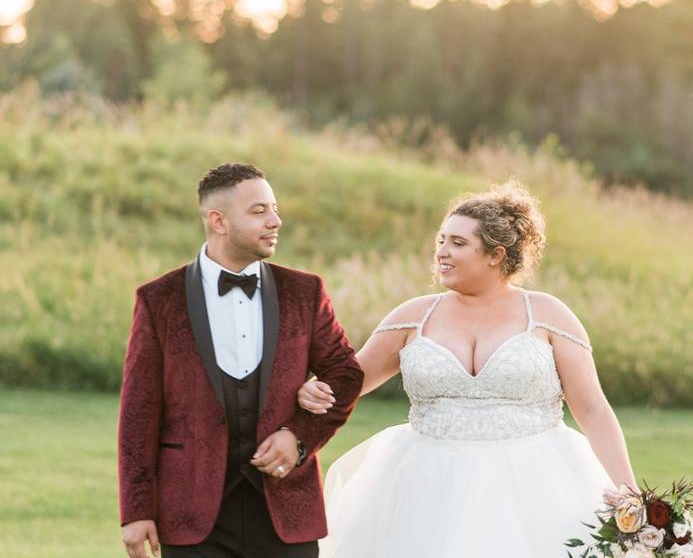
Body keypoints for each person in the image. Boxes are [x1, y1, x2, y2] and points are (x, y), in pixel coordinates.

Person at [298, 178, 638, 557]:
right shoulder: (413, 317)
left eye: (457, 243)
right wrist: (313, 389)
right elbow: (349, 381)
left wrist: (628, 490)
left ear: (496, 254)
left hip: (536, 482)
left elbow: (591, 408)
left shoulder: (547, 314)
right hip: (425, 484)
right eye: (441, 240)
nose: (442, 252)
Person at [118, 163, 364, 558]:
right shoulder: (159, 299)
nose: (276, 221)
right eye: (259, 211)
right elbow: (138, 412)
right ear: (218, 220)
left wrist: (299, 436)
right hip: (192, 516)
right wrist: (136, 510)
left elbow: (346, 373)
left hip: (287, 510)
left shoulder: (304, 291)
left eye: (275, 208)